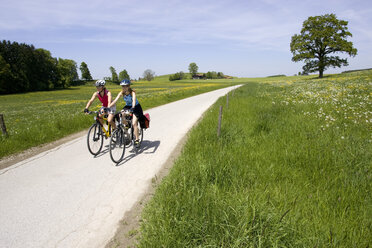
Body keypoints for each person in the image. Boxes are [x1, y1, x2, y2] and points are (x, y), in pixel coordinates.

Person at [109, 79, 143, 148]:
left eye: (125, 86)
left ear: (128, 86)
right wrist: (108, 107)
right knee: (120, 114)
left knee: (134, 123)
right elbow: (115, 100)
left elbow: (133, 100)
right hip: (128, 106)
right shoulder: (121, 93)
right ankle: (127, 124)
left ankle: (137, 140)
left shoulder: (132, 92)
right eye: (122, 86)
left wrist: (132, 108)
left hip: (136, 107)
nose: (124, 88)